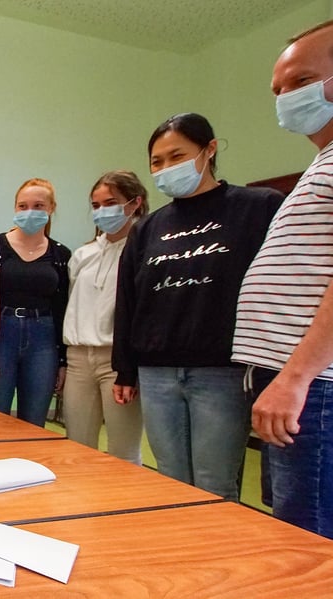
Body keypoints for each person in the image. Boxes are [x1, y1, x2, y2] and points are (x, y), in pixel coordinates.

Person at [113, 113, 285, 501]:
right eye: (157, 161)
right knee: (169, 478)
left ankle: (217, 558)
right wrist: (125, 366)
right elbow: (129, 300)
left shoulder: (257, 208)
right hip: (157, 371)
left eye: (177, 156)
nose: (166, 168)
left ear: (208, 150)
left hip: (222, 372)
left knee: (215, 482)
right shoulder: (148, 227)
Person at [232, 20, 333, 538]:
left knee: (306, 535)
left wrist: (295, 379)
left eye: (300, 81)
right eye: (278, 90)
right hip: (291, 380)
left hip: (313, 386)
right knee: (290, 521)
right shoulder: (321, 164)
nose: (285, 98)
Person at [62, 171, 148, 464]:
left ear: (135, 203)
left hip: (118, 361)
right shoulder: (83, 254)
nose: (102, 211)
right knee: (77, 446)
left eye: (110, 203)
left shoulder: (143, 251)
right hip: (78, 359)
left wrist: (130, 367)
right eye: (96, 205)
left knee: (123, 449)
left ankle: (122, 506)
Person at [0, 179, 70, 427]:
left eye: (38, 205)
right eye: (22, 206)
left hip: (43, 339)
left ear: (51, 208)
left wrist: (63, 360)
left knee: (34, 419)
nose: (29, 212)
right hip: (2, 332)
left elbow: (62, 307)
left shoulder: (60, 254)